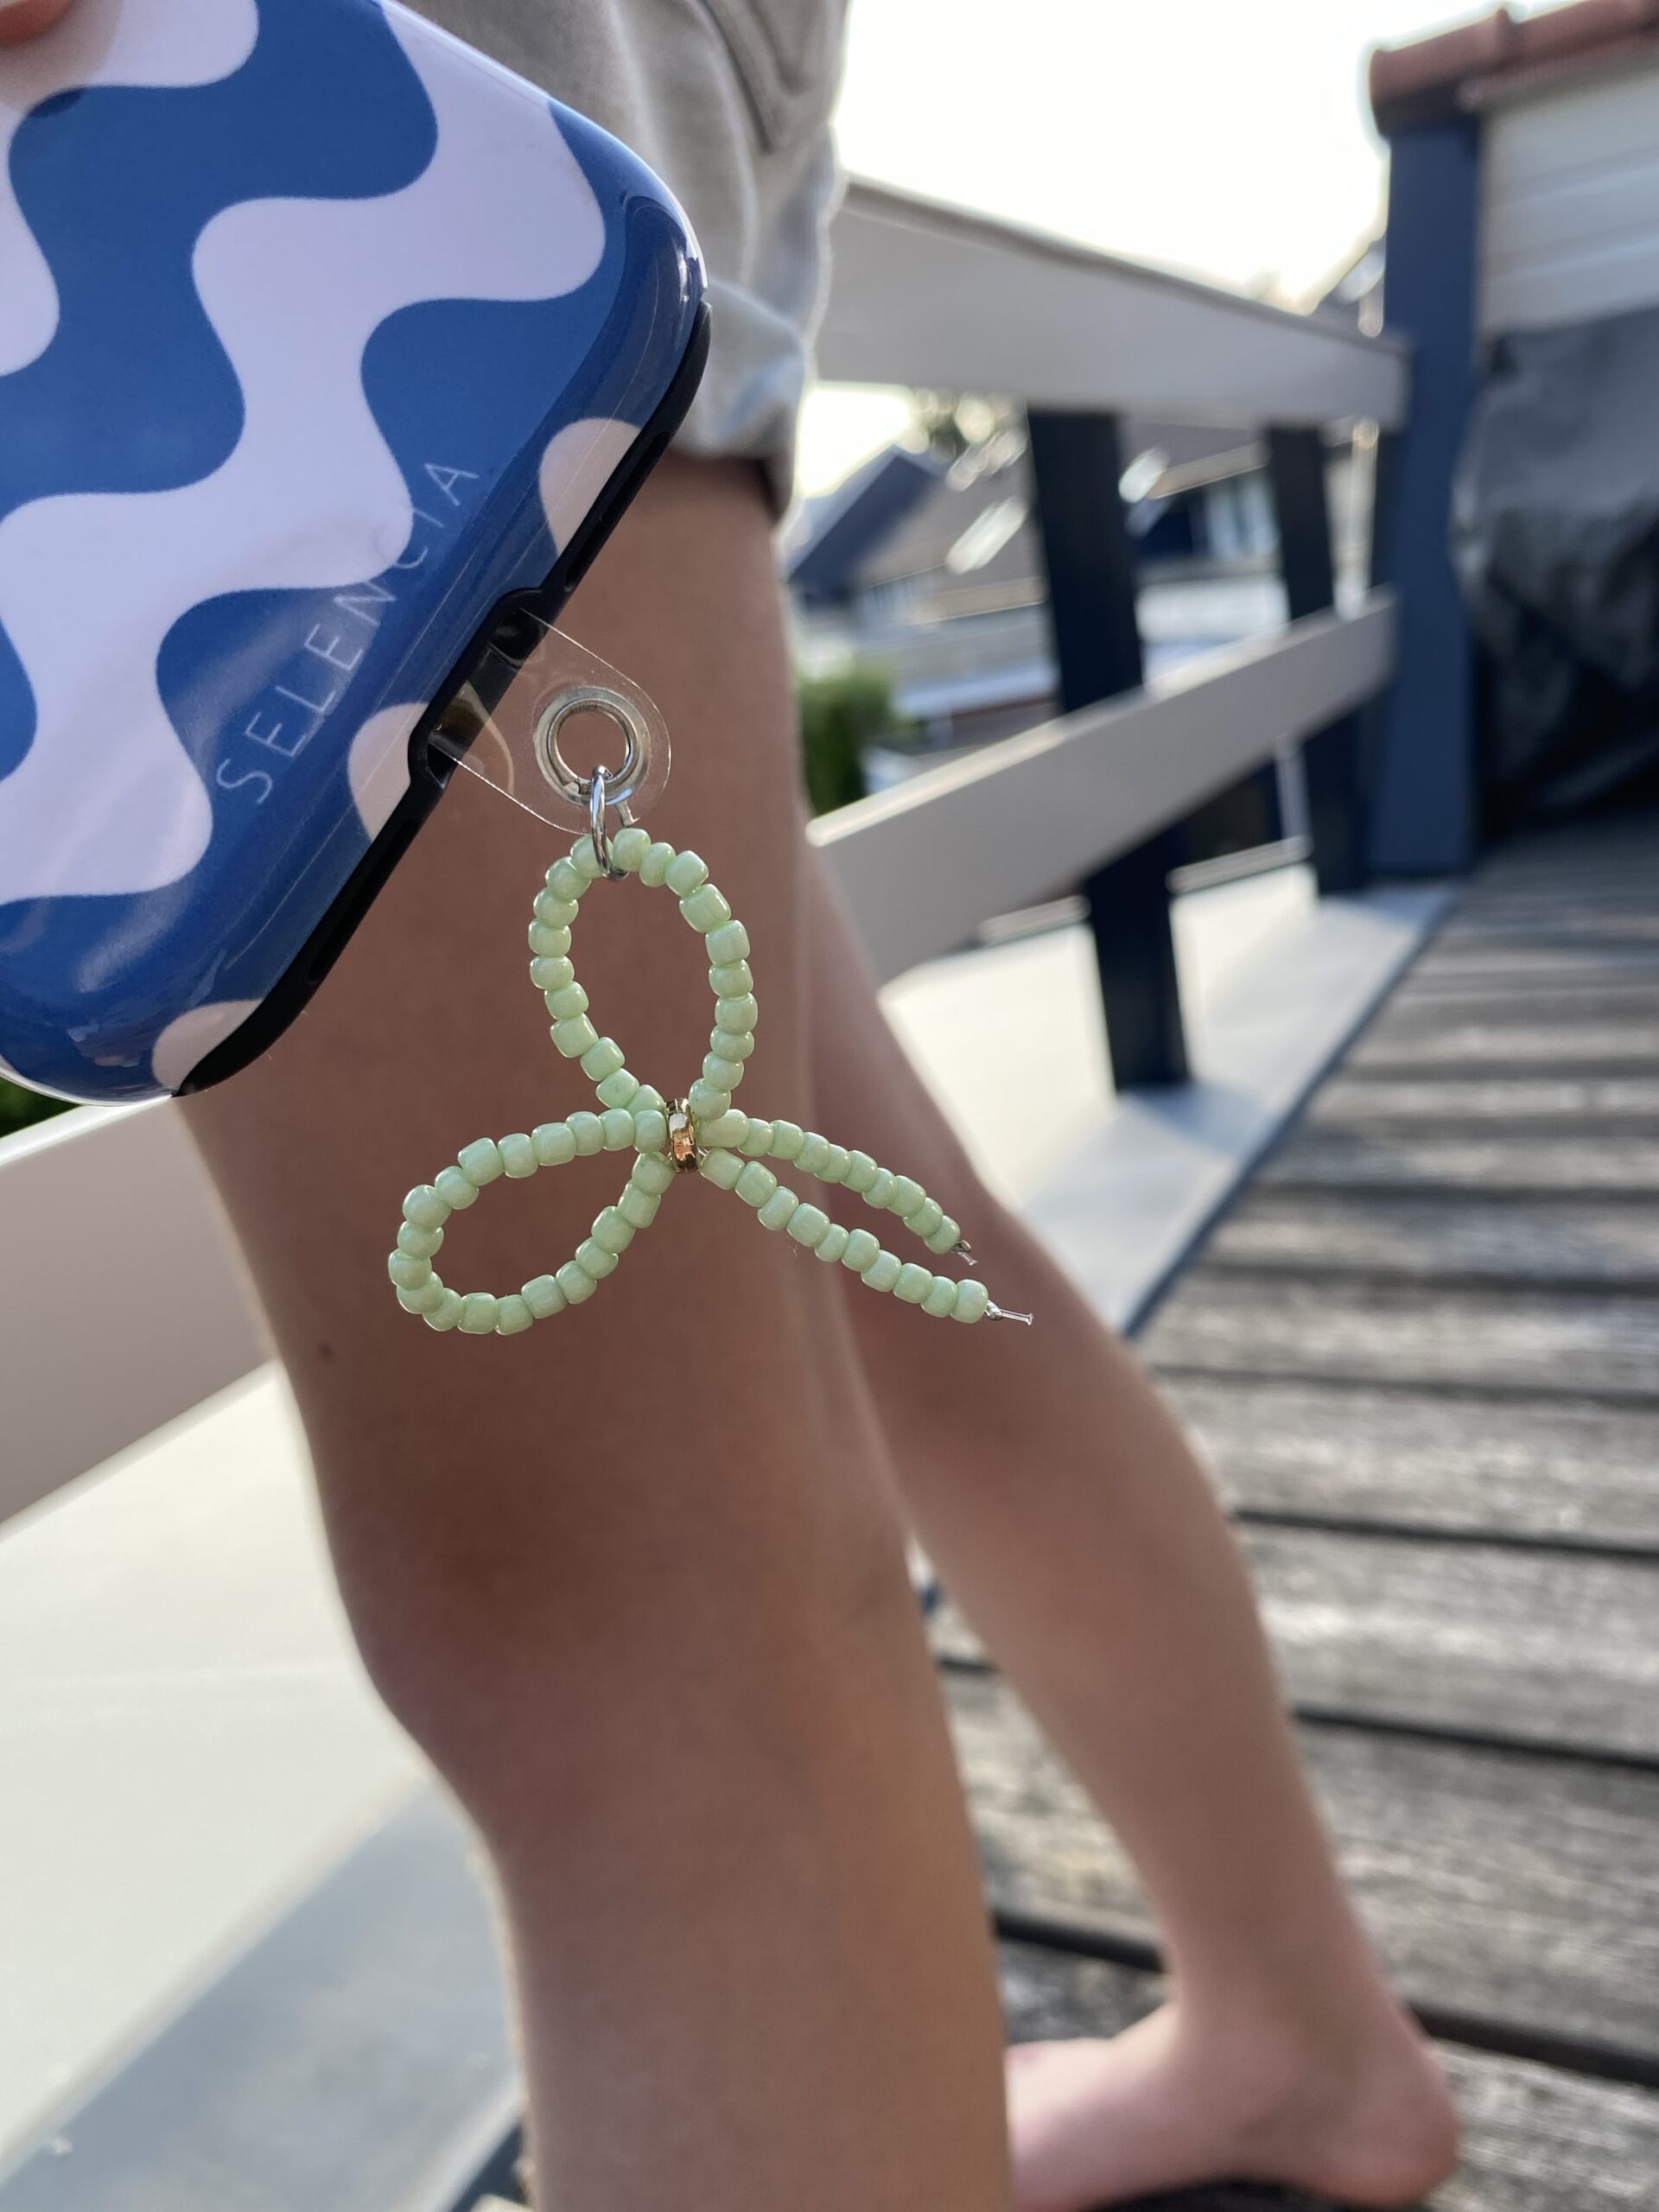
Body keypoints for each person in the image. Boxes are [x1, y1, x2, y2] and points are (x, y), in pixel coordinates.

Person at [4, 0, 1460, 2203]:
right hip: (524, 93)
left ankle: (1287, 2036)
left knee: (624, 1620)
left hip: (233, 142)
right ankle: (1296, 2028)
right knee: (858, 1253)